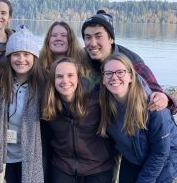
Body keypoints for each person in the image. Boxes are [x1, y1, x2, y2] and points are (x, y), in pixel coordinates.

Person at [99, 53, 177, 183]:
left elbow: (160, 153)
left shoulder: (154, 108)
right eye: (108, 73)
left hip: (164, 160)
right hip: (133, 157)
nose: (114, 77)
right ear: (103, 78)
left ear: (131, 76)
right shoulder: (105, 103)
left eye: (120, 72)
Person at [81, 10, 177, 113]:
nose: (93, 43)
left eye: (98, 36)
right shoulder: (80, 58)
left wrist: (165, 99)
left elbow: (162, 99)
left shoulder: (132, 62)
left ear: (111, 39)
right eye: (88, 37)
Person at [41, 57, 114, 183]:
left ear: (78, 78)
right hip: (63, 167)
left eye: (70, 75)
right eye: (59, 76)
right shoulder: (48, 105)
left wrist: (157, 93)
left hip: (98, 168)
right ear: (53, 80)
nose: (65, 81)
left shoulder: (97, 100)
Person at [0, 26, 45, 183]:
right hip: (1, 154)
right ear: (9, 56)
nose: (21, 59)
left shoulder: (43, 85)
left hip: (29, 155)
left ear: (34, 57)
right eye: (16, 54)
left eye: (26, 54)